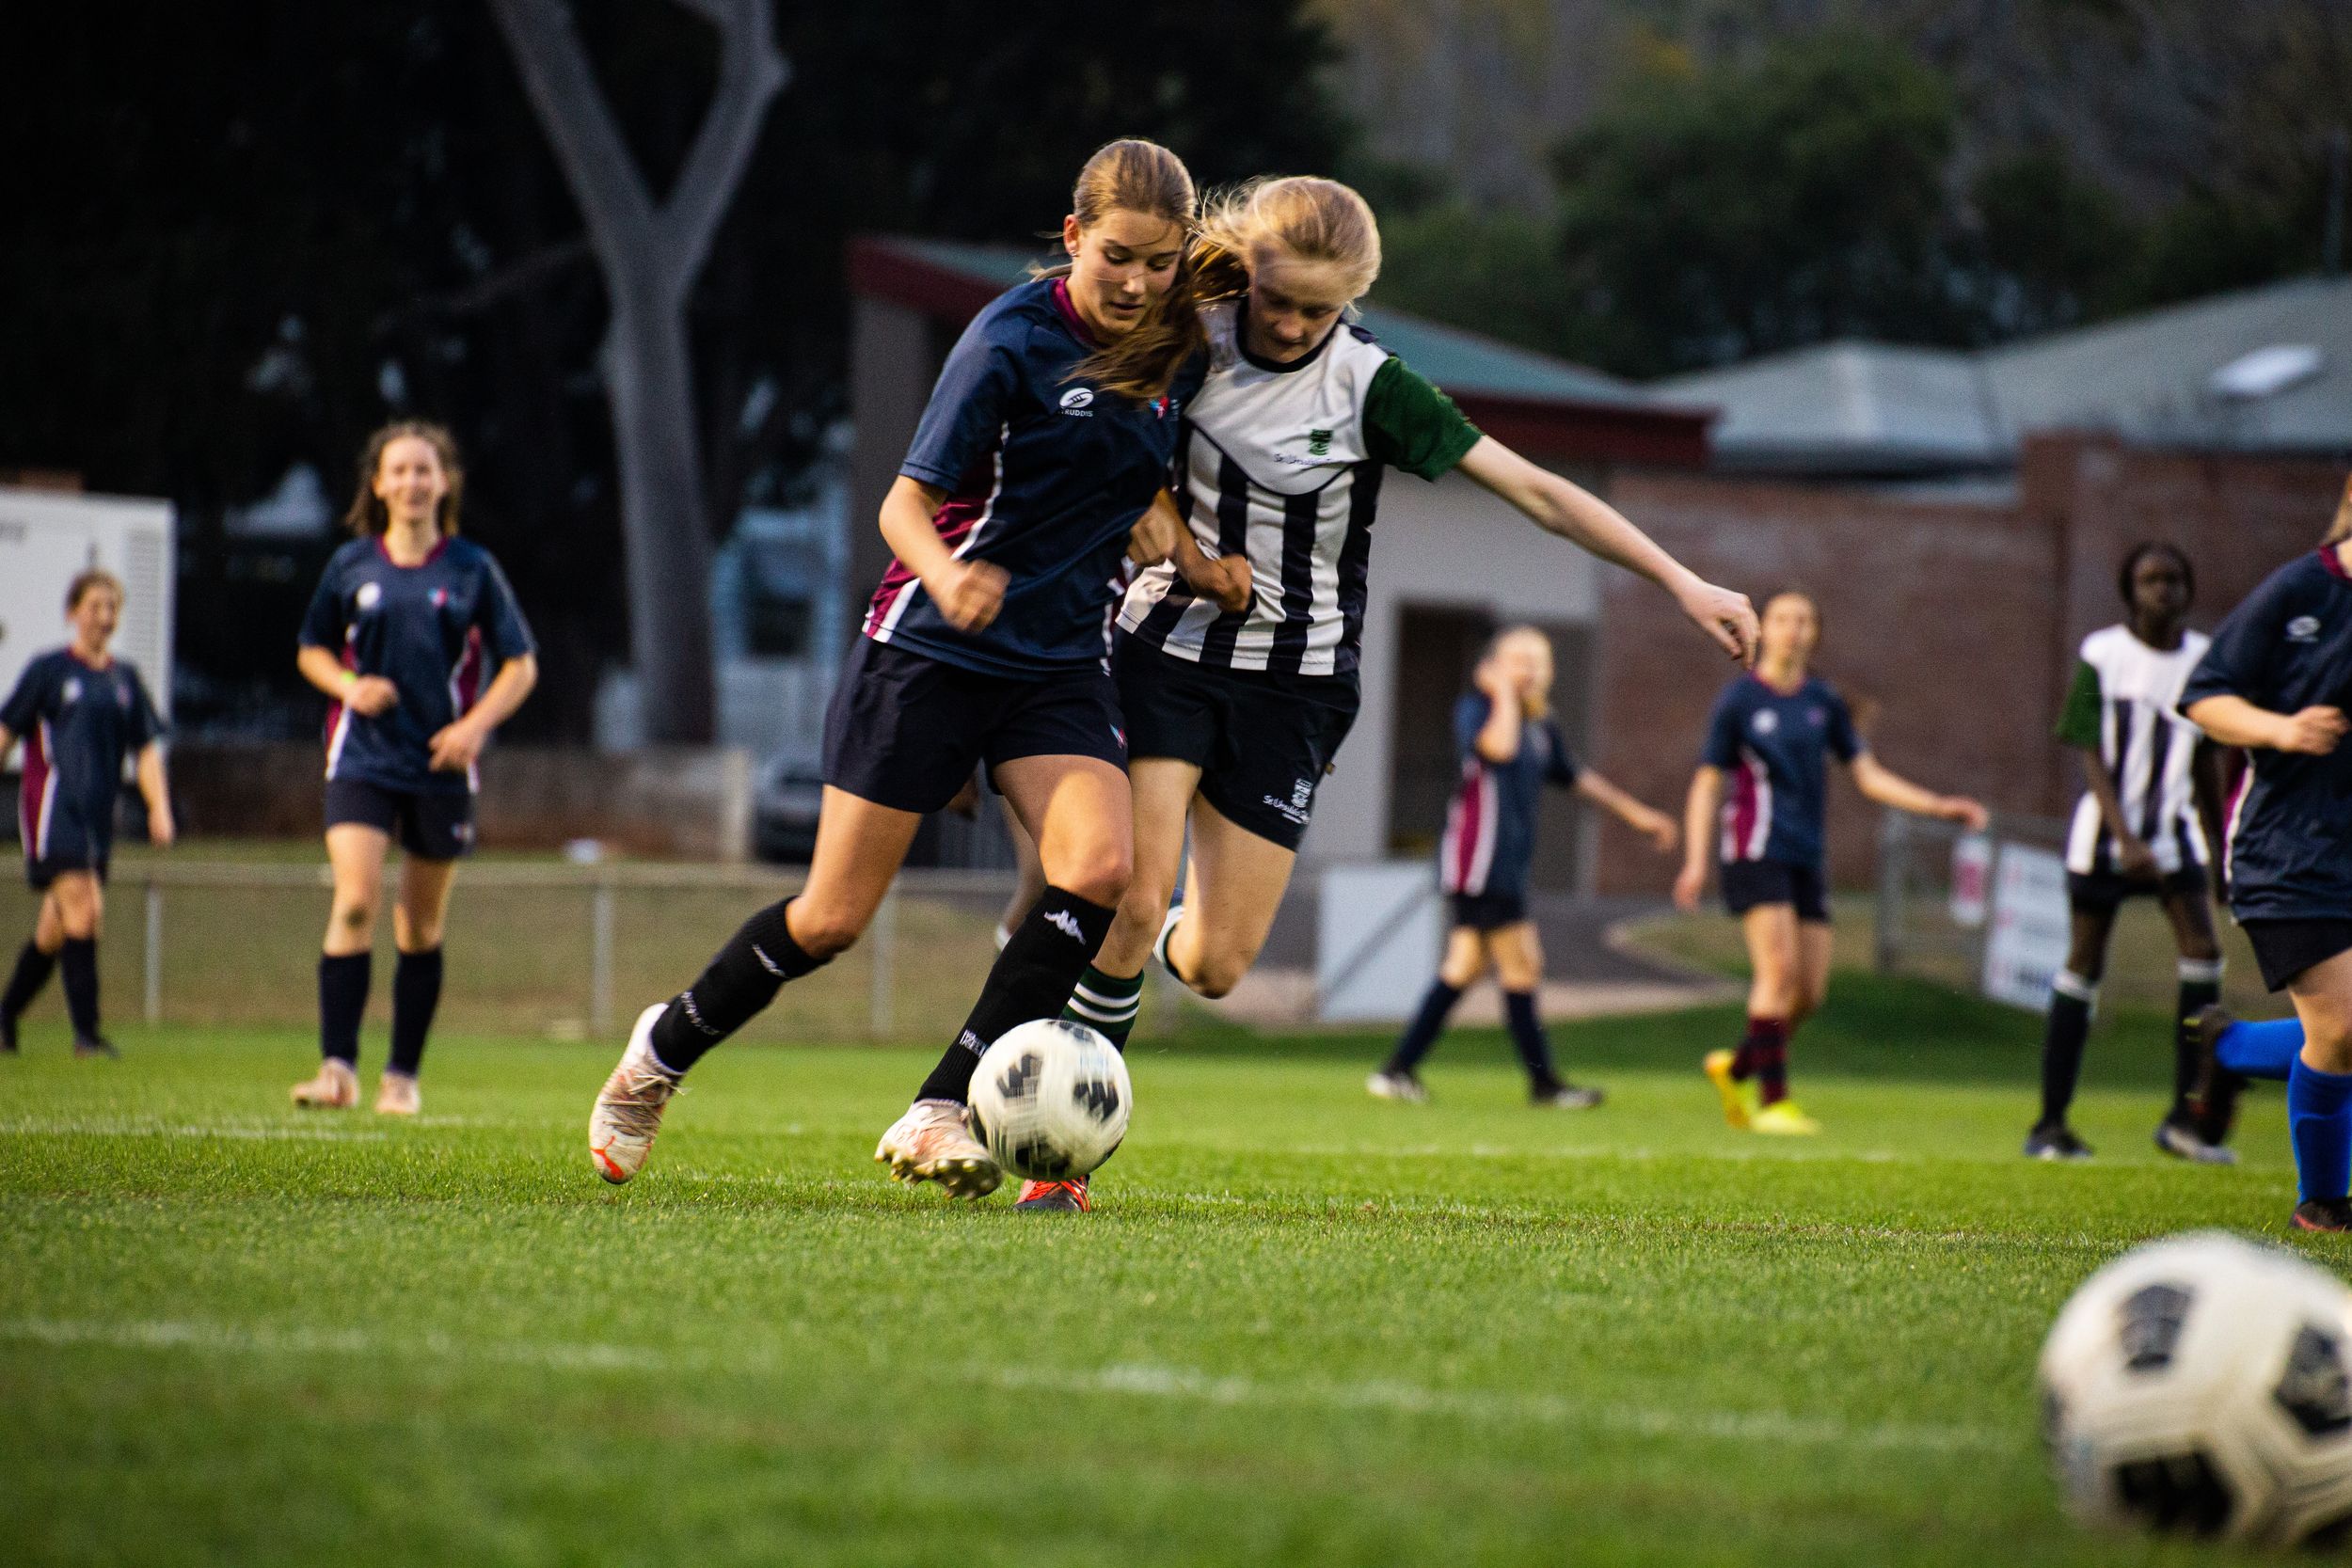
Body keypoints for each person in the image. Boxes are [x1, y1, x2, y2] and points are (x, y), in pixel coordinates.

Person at [1045, 175, 1757, 1212]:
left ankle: (1145, 930)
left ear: (1353, 300)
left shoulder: (1374, 388)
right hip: (1167, 651)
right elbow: (1082, 414)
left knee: (1216, 963)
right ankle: (1061, 1160)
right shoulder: (1189, 335)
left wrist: (1683, 582)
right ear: (1248, 272)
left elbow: (1540, 493)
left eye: (1317, 309)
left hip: (1297, 687)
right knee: (1136, 892)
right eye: (1276, 299)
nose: (1291, 325)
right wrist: (1151, 512)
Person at [585, 139, 1241, 1198]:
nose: (1136, 283)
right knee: (830, 920)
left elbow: (1134, 478)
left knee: (1101, 871)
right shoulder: (1007, 341)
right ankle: (660, 1053)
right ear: (1073, 236)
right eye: (1117, 256)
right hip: (929, 650)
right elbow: (904, 504)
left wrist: (1196, 562)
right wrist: (947, 575)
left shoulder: (1179, 348)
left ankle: (943, 1103)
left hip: (1059, 663)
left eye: (1160, 264)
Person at [289, 420, 538, 1115]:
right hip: (362, 757)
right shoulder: (351, 566)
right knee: (355, 901)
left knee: (419, 926)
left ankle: (401, 1076)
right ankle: (337, 1070)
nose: (412, 482)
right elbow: (311, 650)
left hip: (440, 767)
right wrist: (348, 687)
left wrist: (474, 727)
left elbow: (521, 664)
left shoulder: (472, 568)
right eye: (398, 470)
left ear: (444, 482)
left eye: (424, 469)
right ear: (378, 484)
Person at [1675, 590, 1987, 1135]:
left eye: (1804, 620)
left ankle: (1738, 1069)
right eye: (1782, 619)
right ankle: (1774, 1104)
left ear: (1815, 633)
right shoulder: (1739, 701)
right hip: (1754, 848)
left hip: (1806, 854)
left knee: (1808, 994)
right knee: (1777, 974)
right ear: (1763, 628)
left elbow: (1868, 775)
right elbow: (1706, 784)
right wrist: (1695, 861)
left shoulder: (1823, 701)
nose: (1793, 629)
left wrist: (1938, 805)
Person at [1368, 626, 1677, 1105]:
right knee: (1522, 964)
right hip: (1478, 862)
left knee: (1464, 967)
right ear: (1492, 668)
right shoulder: (1478, 710)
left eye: (1538, 661)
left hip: (1507, 864)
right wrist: (1503, 695)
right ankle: (1544, 1085)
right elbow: (1499, 748)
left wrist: (1638, 815)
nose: (1530, 670)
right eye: (1518, 660)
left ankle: (1396, 1071)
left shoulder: (1541, 727)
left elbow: (1578, 778)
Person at [2174, 477, 2352, 1232]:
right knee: (2343, 1028)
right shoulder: (2300, 590)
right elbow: (2204, 695)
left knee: (2342, 1028)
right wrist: (2281, 729)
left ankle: (2231, 1046)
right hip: (2287, 848)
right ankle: (2323, 1201)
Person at [2026, 543, 2232, 1163]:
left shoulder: (2203, 659)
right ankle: (2050, 1125)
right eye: (2149, 580)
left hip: (2173, 837)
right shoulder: (2102, 654)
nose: (2162, 590)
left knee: (2204, 955)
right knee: (2084, 963)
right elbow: (2086, 748)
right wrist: (2125, 836)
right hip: (2104, 839)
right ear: (2129, 591)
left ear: (2188, 590)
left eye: (2174, 579)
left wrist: (2221, 848)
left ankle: (2185, 1119)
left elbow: (2206, 759)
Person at [0, 570, 173, 1056]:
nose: (104, 616)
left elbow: (147, 750)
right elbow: (6, 732)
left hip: (97, 820)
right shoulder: (49, 670)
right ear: (72, 612)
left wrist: (159, 807)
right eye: (94, 606)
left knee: (54, 931)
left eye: (112, 607)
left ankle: (5, 1015)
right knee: (87, 908)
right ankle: (87, 1036)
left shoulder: (124, 679)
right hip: (52, 810)